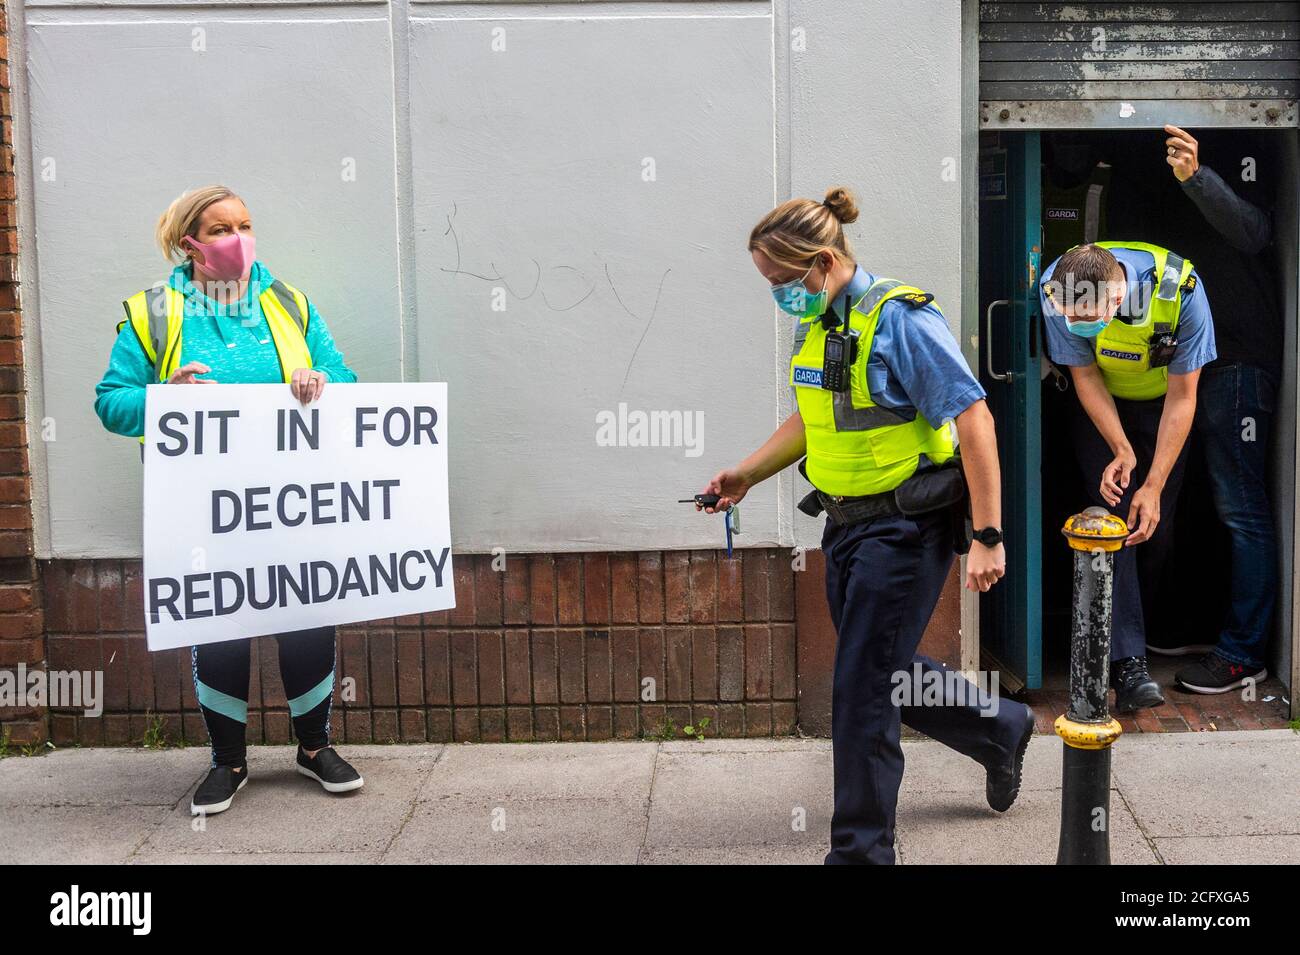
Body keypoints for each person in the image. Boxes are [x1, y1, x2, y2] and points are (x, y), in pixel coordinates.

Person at [699, 187, 1035, 865]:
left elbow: (975, 420)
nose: (778, 295)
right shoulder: (816, 322)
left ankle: (860, 852)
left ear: (824, 261)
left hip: (907, 529)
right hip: (846, 527)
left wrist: (989, 535)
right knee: (882, 670)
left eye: (783, 281)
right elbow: (811, 418)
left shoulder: (901, 321)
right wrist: (745, 474)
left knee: (860, 690)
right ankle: (1000, 727)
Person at [94, 185, 364, 815]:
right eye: (220, 229)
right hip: (203, 509)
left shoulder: (287, 302)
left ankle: (315, 747)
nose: (236, 237)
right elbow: (112, 402)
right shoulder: (153, 311)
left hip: (288, 499)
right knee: (217, 623)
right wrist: (163, 396)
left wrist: (321, 382)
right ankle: (228, 761)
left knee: (305, 612)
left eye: (244, 223)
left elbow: (345, 379)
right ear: (188, 242)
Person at [1040, 241, 1216, 712]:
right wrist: (1120, 448)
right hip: (1103, 407)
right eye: (1069, 317)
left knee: (1152, 528)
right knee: (1114, 520)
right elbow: (1084, 375)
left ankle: (1145, 626)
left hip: (1164, 406)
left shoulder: (1181, 290)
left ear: (1117, 298)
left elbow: (1184, 397)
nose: (1075, 326)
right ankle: (1129, 664)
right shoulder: (1058, 287)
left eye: (1086, 318)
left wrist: (1154, 484)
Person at [1158, 125, 1276, 693]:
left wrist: (1197, 178)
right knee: (1199, 502)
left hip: (1235, 364)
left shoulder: (1248, 141)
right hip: (1182, 366)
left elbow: (1253, 233)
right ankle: (1198, 625)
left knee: (1241, 509)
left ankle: (1243, 654)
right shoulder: (1140, 159)